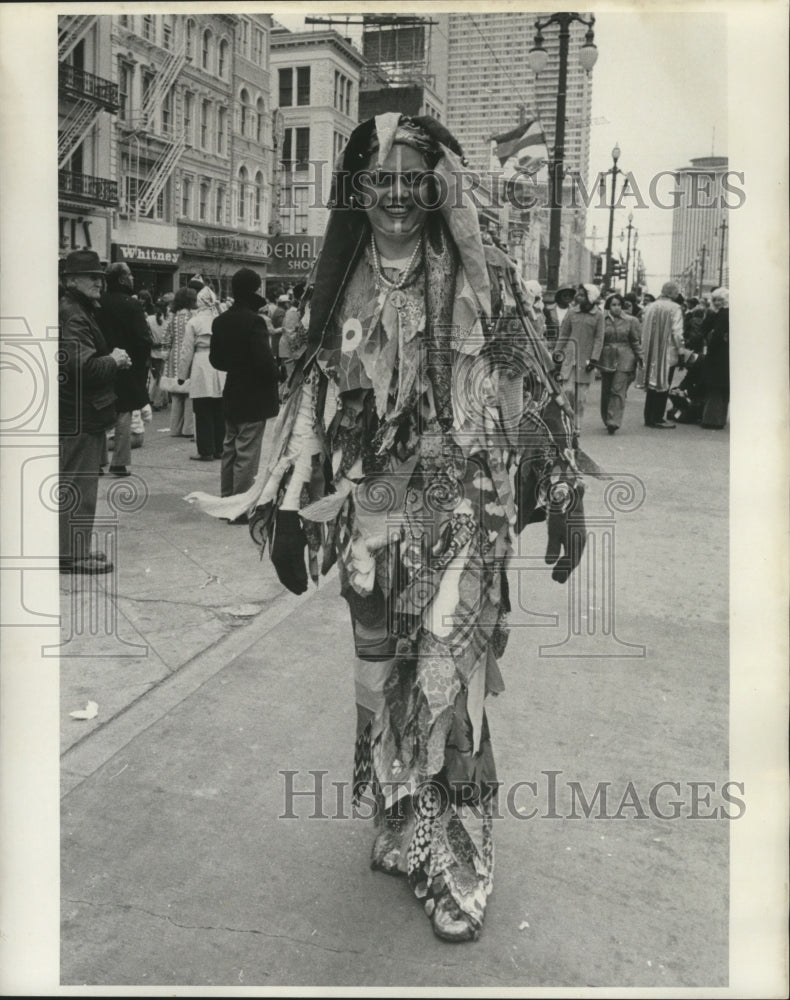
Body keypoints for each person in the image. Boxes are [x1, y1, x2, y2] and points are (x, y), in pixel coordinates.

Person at [186, 113, 590, 943]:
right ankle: (404, 823)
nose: (400, 198)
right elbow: (310, 394)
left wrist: (564, 491)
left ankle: (461, 863)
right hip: (372, 523)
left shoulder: (487, 278)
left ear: (437, 186)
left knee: (448, 679)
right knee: (381, 679)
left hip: (462, 515)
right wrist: (294, 512)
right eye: (383, 181)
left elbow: (534, 381)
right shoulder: (335, 287)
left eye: (415, 180)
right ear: (358, 191)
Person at [58, 250, 131, 573]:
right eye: (91, 277)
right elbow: (81, 367)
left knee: (76, 482)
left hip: (79, 411)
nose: (98, 282)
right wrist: (114, 360)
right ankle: (72, 554)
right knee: (79, 485)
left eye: (100, 277)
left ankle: (74, 547)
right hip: (80, 413)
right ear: (71, 280)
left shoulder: (76, 308)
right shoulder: (75, 313)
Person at [209, 268, 281, 511]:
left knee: (230, 448)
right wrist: (278, 373)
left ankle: (226, 498)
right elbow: (264, 362)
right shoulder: (254, 322)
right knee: (247, 451)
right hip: (254, 394)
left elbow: (216, 361)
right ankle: (239, 505)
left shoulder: (219, 321)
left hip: (232, 390)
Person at [97, 262, 153, 476]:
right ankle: (119, 462)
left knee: (100, 411)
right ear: (121, 279)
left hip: (101, 362)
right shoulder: (132, 304)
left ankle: (98, 460)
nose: (132, 278)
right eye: (129, 275)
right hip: (127, 366)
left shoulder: (98, 303)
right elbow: (143, 339)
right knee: (123, 413)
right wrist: (138, 363)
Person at [178, 285, 226, 461]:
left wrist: (182, 375)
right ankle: (220, 448)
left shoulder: (194, 322)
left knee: (202, 409)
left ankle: (206, 450)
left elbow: (186, 351)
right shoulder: (220, 319)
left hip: (201, 362)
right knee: (219, 409)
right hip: (220, 364)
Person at [554, 283, 605, 428]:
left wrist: (594, 359)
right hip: (570, 358)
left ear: (591, 298)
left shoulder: (598, 316)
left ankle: (577, 425)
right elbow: (563, 334)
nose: (578, 297)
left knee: (580, 398)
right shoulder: (571, 313)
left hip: (587, 360)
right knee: (567, 391)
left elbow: (599, 339)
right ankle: (566, 423)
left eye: (582, 295)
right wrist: (557, 353)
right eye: (578, 294)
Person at [638, 280, 685, 428]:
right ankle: (658, 417)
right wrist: (681, 350)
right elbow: (677, 333)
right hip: (666, 352)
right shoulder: (675, 308)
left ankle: (649, 416)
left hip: (650, 350)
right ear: (674, 293)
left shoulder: (650, 307)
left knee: (652, 384)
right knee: (663, 384)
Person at [598, 293, 643, 434]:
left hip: (625, 356)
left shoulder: (631, 321)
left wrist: (640, 356)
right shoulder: (601, 320)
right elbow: (598, 340)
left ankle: (614, 421)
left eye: (618, 305)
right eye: (613, 305)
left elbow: (635, 340)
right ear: (608, 306)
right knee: (606, 389)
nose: (616, 308)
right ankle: (606, 417)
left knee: (618, 389)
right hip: (606, 356)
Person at [162, 287, 196, 438]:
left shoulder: (172, 316)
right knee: (189, 393)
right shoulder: (192, 317)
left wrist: (166, 353)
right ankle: (188, 429)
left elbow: (166, 337)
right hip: (188, 356)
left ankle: (175, 428)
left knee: (176, 394)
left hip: (173, 357)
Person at [699, 287, 729, 428]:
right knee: (721, 388)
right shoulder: (722, 313)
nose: (717, 302)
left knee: (714, 387)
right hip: (724, 354)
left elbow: (709, 332)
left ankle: (712, 420)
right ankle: (718, 419)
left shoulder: (722, 314)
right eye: (715, 299)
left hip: (718, 355)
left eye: (720, 300)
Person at [147, 295, 171, 410]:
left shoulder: (149, 319)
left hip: (154, 351)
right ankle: (159, 401)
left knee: (155, 377)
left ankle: (155, 400)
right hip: (165, 352)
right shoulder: (168, 321)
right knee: (162, 376)